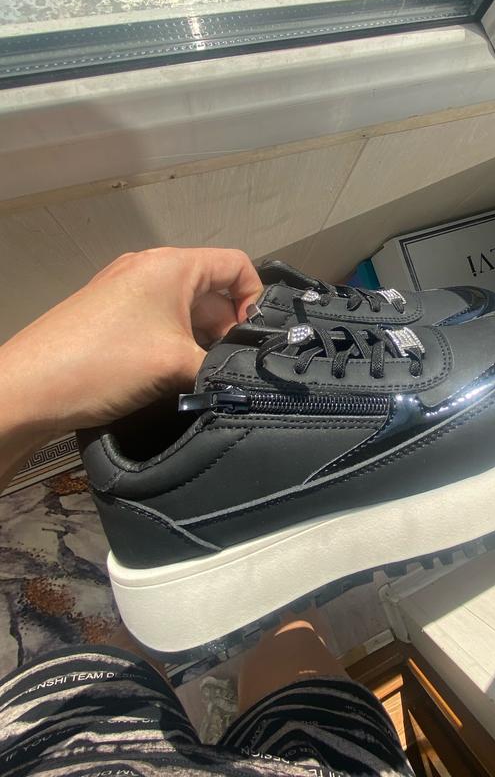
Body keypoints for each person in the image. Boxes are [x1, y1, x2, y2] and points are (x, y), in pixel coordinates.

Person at [0, 247, 415, 777]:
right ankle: (280, 603)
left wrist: (24, 384)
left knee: (113, 680)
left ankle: (185, 588)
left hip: (55, 752)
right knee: (300, 677)